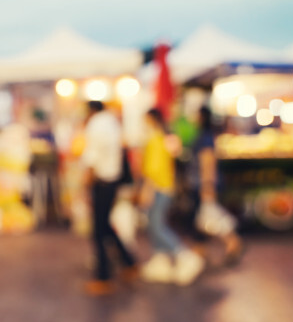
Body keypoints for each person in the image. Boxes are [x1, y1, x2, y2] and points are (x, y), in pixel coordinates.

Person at [139, 108, 204, 285]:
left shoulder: (155, 139)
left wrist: (147, 189)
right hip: (167, 186)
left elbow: (153, 169)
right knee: (155, 225)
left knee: (157, 226)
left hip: (159, 188)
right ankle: (161, 261)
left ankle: (184, 255)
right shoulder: (166, 138)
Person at [81, 101, 137, 296]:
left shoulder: (95, 124)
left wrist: (84, 184)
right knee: (105, 225)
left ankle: (103, 276)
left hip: (102, 181)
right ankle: (128, 262)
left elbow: (92, 156)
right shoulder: (112, 122)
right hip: (113, 181)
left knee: (98, 229)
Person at [190, 106, 242, 262]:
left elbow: (208, 161)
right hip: (200, 183)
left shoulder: (204, 137)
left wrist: (207, 185)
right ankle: (201, 250)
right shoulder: (203, 135)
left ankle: (233, 242)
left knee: (210, 216)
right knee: (200, 218)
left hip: (203, 183)